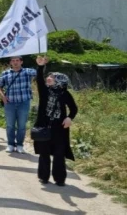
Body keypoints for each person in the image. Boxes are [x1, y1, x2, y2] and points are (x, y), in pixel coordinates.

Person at [34, 56, 78, 186]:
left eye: (52, 77)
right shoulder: (44, 91)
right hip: (44, 127)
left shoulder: (65, 94)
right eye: (49, 77)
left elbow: (74, 108)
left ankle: (59, 179)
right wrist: (41, 66)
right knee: (44, 153)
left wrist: (69, 117)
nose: (49, 78)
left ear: (59, 80)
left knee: (59, 154)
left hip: (59, 128)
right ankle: (43, 176)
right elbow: (39, 80)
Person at [0, 56, 37, 154]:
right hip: (10, 103)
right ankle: (10, 144)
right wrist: (2, 96)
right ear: (10, 62)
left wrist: (40, 64)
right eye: (13, 61)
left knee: (21, 126)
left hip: (23, 102)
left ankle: (19, 145)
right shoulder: (5, 73)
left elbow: (38, 73)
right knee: (10, 125)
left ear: (21, 62)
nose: (15, 62)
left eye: (17, 61)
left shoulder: (27, 71)